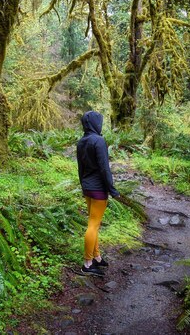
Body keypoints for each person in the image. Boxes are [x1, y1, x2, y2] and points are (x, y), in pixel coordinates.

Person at [76, 110, 119, 276]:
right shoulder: (99, 141)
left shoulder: (81, 142)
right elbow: (104, 168)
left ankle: (97, 257)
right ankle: (87, 264)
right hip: (99, 190)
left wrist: (83, 186)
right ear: (95, 123)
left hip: (87, 188)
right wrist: (112, 190)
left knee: (94, 223)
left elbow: (81, 168)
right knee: (93, 225)